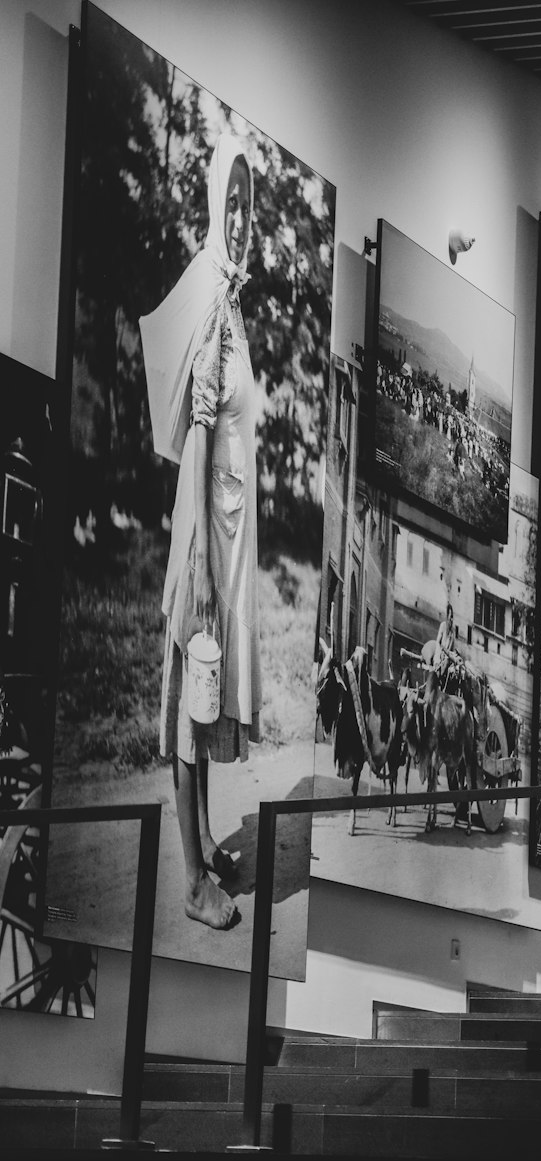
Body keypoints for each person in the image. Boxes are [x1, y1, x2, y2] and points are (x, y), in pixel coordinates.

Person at [140, 135, 262, 931]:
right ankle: (192, 880)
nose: (243, 216)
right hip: (207, 541)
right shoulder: (217, 302)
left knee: (208, 700)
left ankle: (208, 841)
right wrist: (206, 571)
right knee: (195, 701)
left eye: (251, 202)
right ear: (215, 206)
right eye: (233, 202)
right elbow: (195, 442)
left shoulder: (232, 291)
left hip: (224, 531)